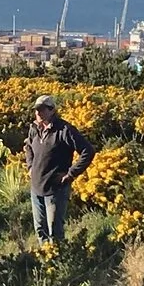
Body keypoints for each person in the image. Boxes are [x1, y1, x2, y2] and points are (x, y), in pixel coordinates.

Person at [22, 95, 96, 244]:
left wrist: (70, 174)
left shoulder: (64, 130)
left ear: (52, 110)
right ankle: (45, 256)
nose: (38, 113)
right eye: (36, 110)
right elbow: (28, 146)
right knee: (40, 230)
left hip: (55, 190)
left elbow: (87, 151)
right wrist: (30, 166)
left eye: (42, 109)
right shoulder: (35, 128)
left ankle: (59, 256)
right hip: (36, 188)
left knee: (55, 231)